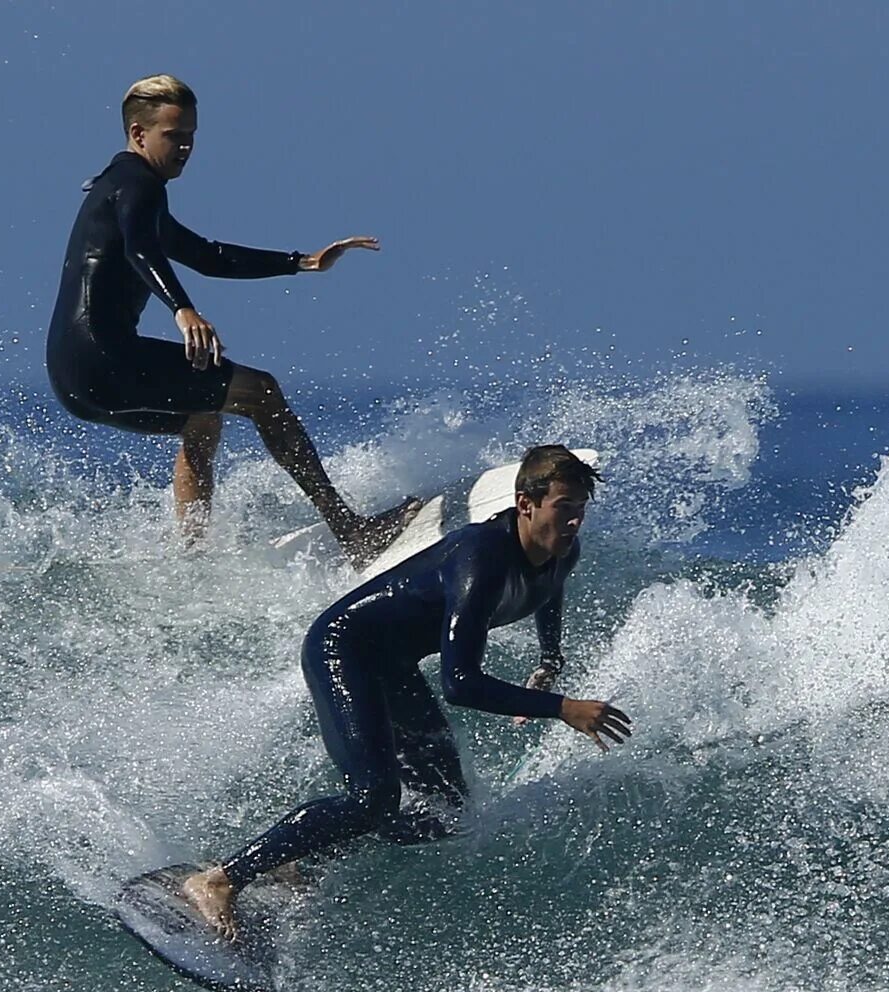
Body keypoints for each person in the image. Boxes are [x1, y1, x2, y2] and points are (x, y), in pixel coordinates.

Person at [180, 445, 633, 938]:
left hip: (391, 663)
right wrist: (561, 708)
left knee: (447, 813)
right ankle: (220, 879)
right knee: (373, 797)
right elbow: (460, 684)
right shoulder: (480, 557)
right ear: (526, 503)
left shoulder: (560, 552)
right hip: (344, 649)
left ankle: (292, 857)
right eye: (563, 508)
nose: (574, 523)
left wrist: (549, 661)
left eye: (581, 511)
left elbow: (550, 590)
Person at [46, 74, 417, 561]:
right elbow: (140, 250)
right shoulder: (138, 184)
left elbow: (205, 255)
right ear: (139, 134)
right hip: (103, 357)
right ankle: (351, 532)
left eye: (191, 137)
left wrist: (302, 261)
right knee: (261, 392)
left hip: (73, 375)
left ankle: (193, 559)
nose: (185, 148)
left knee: (202, 418)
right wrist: (182, 309)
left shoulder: (122, 190)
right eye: (173, 136)